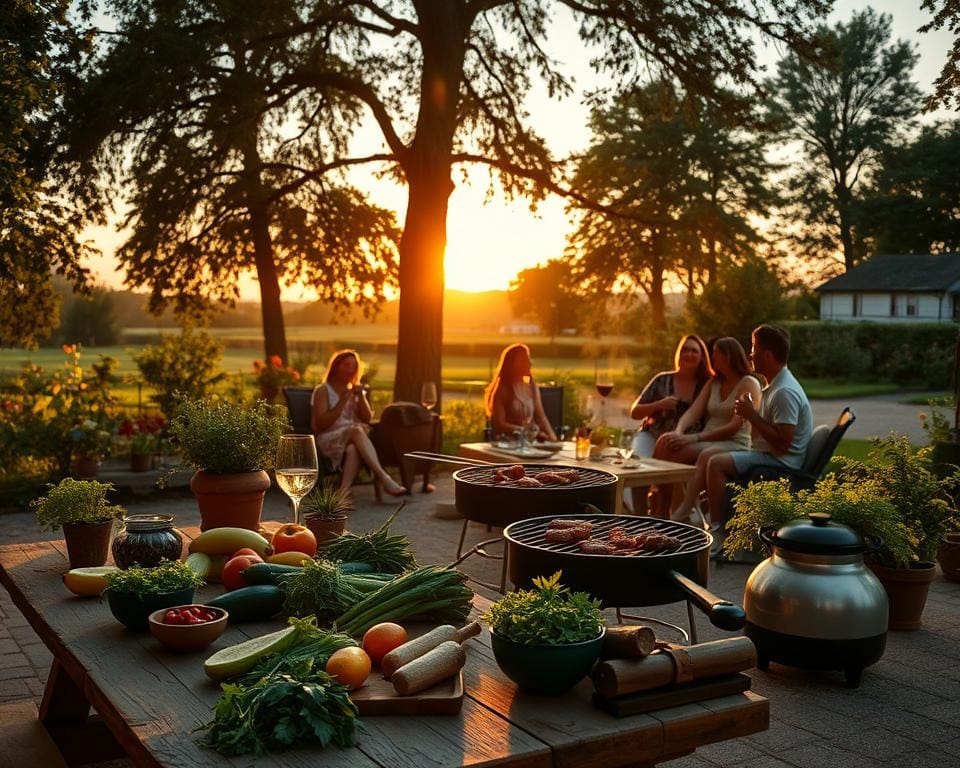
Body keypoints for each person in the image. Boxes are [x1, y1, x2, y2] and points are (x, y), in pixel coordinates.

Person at [699, 325, 813, 552]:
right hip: (770, 455)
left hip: (781, 462)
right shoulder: (776, 385)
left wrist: (751, 415)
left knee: (716, 464)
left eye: (753, 348)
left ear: (768, 355)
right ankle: (722, 519)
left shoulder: (784, 392)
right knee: (712, 457)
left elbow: (784, 443)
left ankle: (717, 529)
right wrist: (751, 412)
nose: (750, 354)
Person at [654, 337, 762, 521]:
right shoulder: (714, 382)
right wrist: (678, 431)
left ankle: (685, 509)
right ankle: (662, 507)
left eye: (715, 354)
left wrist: (694, 438)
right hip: (707, 440)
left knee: (707, 454)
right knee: (665, 442)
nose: (711, 358)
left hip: (734, 442)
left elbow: (733, 427)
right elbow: (693, 411)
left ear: (728, 356)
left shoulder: (748, 383)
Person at [628, 335, 712, 513]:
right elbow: (635, 412)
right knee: (638, 465)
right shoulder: (662, 380)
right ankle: (639, 513)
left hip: (683, 441)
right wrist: (658, 405)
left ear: (702, 357)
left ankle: (663, 511)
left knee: (670, 471)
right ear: (678, 354)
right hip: (651, 434)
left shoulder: (707, 385)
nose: (689, 354)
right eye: (685, 350)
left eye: (694, 351)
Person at [311, 349, 407, 497]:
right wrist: (343, 401)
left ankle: (343, 494)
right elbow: (321, 423)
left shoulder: (354, 391)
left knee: (353, 449)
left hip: (352, 438)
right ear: (335, 367)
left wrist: (361, 397)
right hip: (327, 438)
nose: (351, 369)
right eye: (346, 365)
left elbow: (367, 418)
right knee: (356, 430)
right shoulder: (322, 390)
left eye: (354, 366)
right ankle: (384, 477)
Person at [484, 343, 559, 441]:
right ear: (514, 364)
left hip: (529, 441)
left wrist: (553, 438)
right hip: (507, 442)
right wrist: (522, 431)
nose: (530, 363)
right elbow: (499, 424)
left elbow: (541, 417)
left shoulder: (531, 387)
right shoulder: (502, 389)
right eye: (524, 360)